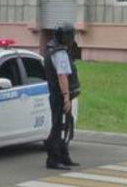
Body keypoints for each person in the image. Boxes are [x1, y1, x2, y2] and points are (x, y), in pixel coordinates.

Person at [44, 23, 81, 170]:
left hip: (58, 94)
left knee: (65, 125)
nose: (72, 39)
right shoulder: (59, 53)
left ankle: (64, 156)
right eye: (71, 36)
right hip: (59, 95)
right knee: (58, 126)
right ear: (65, 37)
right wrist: (66, 96)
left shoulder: (53, 49)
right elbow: (62, 75)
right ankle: (53, 159)